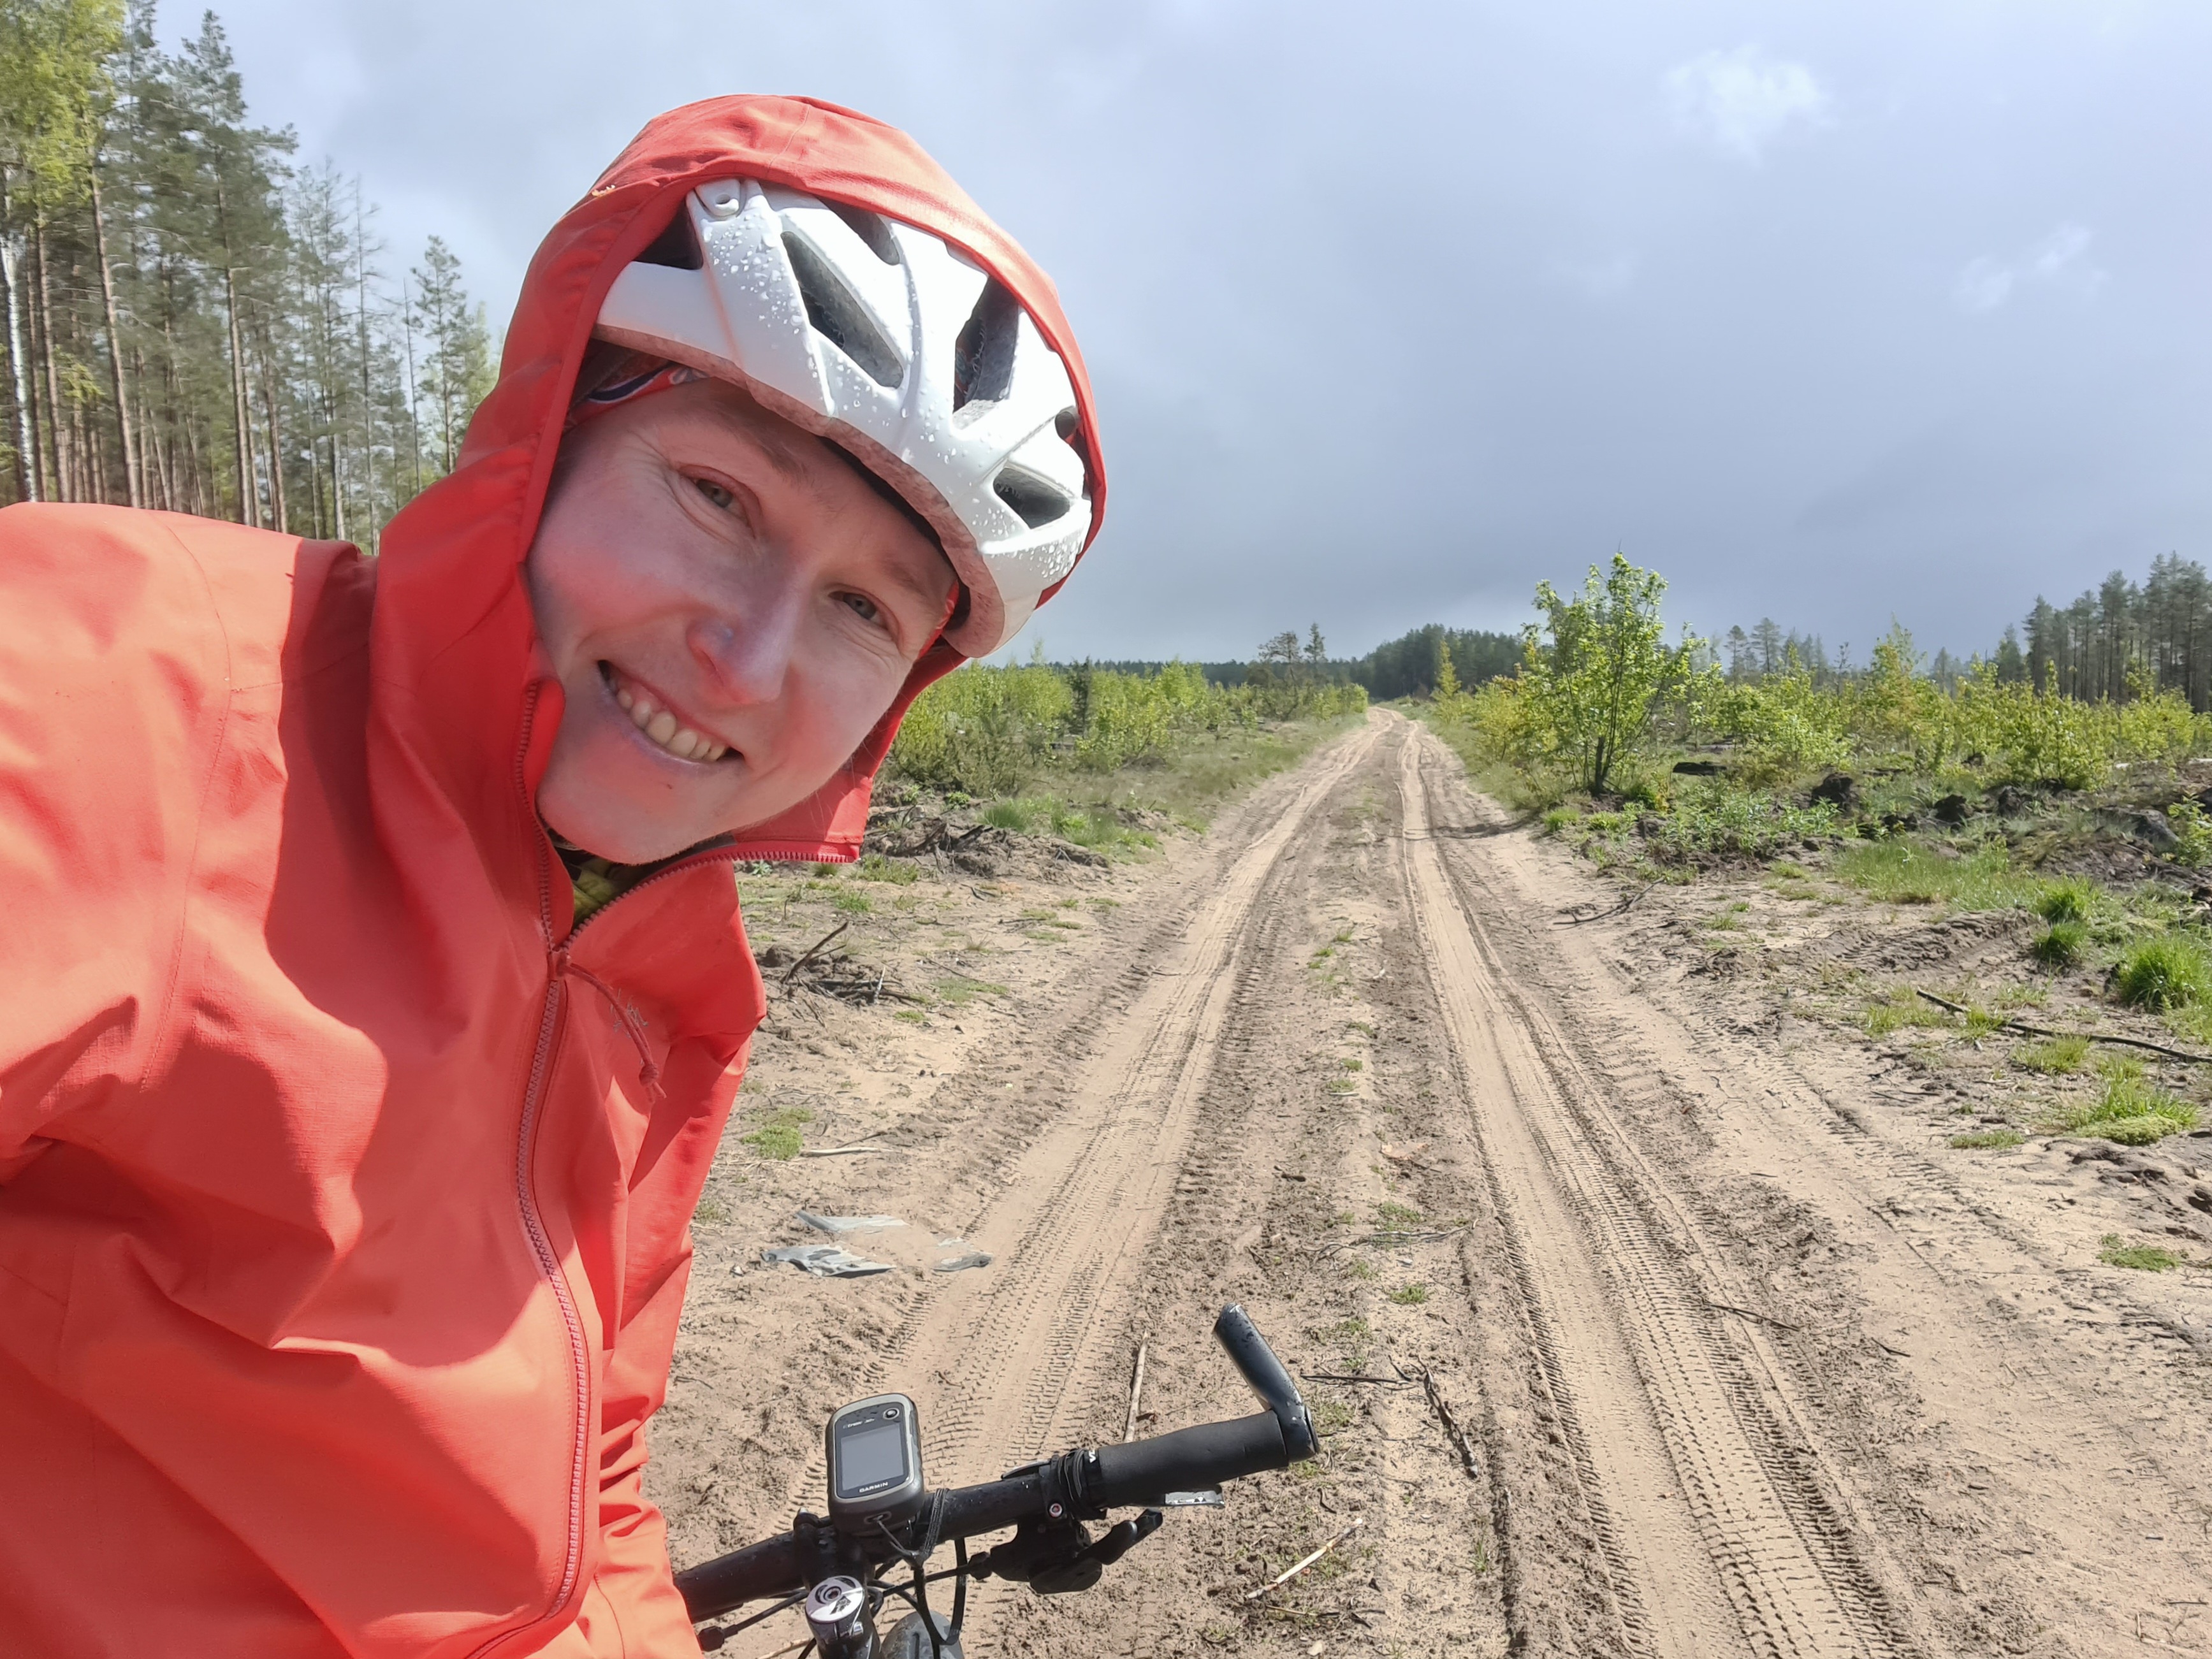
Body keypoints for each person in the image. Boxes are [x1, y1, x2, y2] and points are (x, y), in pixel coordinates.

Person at [0, 96, 1103, 1656]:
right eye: (717, 497)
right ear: (546, 440)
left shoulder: (673, 978)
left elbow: (590, 1491)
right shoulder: (131, 695)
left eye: (865, 610)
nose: (746, 663)